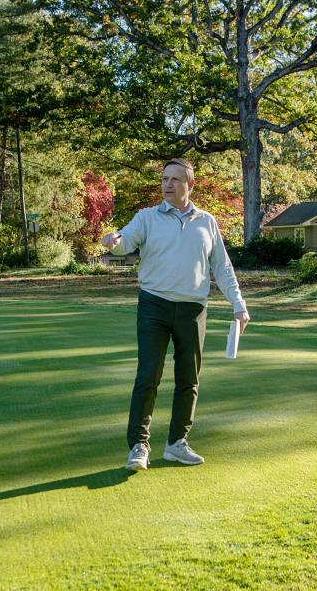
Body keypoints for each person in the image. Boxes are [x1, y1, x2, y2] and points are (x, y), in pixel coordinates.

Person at [101, 158, 250, 471]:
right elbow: (124, 241)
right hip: (154, 305)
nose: (167, 185)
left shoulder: (207, 222)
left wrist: (239, 305)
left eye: (175, 180)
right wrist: (113, 242)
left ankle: (177, 444)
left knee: (188, 379)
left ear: (190, 185)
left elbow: (221, 267)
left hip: (193, 310)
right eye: (164, 179)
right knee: (148, 376)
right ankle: (138, 446)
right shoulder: (147, 217)